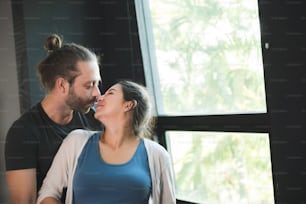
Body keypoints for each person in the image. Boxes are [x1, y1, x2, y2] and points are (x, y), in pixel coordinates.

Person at [37, 80, 176, 204]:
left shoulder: (158, 155)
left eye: (110, 93)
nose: (99, 97)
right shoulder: (76, 141)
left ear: (128, 105)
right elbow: (47, 193)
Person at [5, 34, 103, 204]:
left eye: (97, 84)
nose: (97, 94)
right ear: (62, 85)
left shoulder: (95, 121)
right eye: (89, 86)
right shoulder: (24, 132)